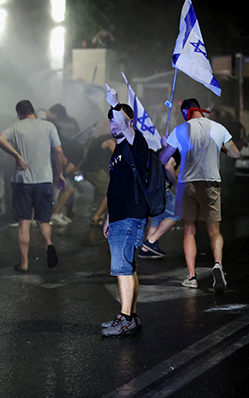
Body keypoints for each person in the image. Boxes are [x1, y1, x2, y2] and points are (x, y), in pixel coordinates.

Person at [159, 98, 240, 291]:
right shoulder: (218, 128)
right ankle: (218, 264)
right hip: (211, 183)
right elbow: (235, 153)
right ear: (200, 110)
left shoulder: (180, 129)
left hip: (187, 184)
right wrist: (218, 146)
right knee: (214, 231)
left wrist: (165, 143)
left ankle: (192, 277)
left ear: (185, 112)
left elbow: (163, 159)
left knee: (189, 231)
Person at [100, 89, 149, 337]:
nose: (113, 123)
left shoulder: (134, 140)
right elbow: (116, 188)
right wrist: (110, 216)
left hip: (130, 215)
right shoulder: (118, 150)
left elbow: (124, 123)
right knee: (128, 268)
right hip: (121, 216)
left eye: (117, 118)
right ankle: (132, 316)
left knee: (121, 269)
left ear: (128, 122)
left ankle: (125, 318)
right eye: (110, 118)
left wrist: (114, 103)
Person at [0, 100, 65, 272]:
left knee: (24, 223)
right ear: (33, 110)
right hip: (44, 180)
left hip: (22, 181)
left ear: (19, 113)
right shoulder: (49, 126)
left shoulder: (16, 127)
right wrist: (60, 174)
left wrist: (17, 156)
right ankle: (48, 243)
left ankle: (24, 263)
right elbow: (58, 152)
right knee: (44, 220)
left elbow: (0, 139)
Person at [137, 154, 180, 259]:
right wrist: (177, 184)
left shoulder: (163, 150)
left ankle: (146, 249)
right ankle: (151, 242)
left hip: (151, 186)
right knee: (177, 213)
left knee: (158, 215)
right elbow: (168, 166)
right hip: (158, 188)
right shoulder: (177, 151)